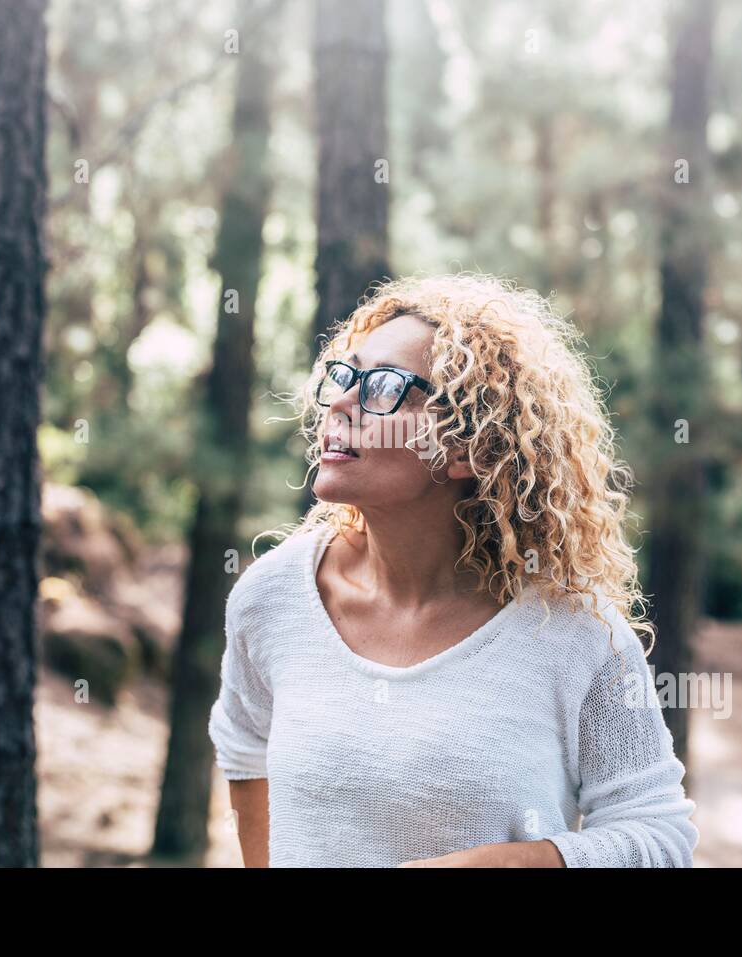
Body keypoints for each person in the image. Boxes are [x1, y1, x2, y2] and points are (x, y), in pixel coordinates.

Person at [208, 273, 698, 867]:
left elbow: (659, 838)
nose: (340, 403)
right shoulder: (272, 598)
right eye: (345, 375)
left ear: (474, 448)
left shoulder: (575, 636)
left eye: (384, 387)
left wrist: (507, 863)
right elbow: (245, 751)